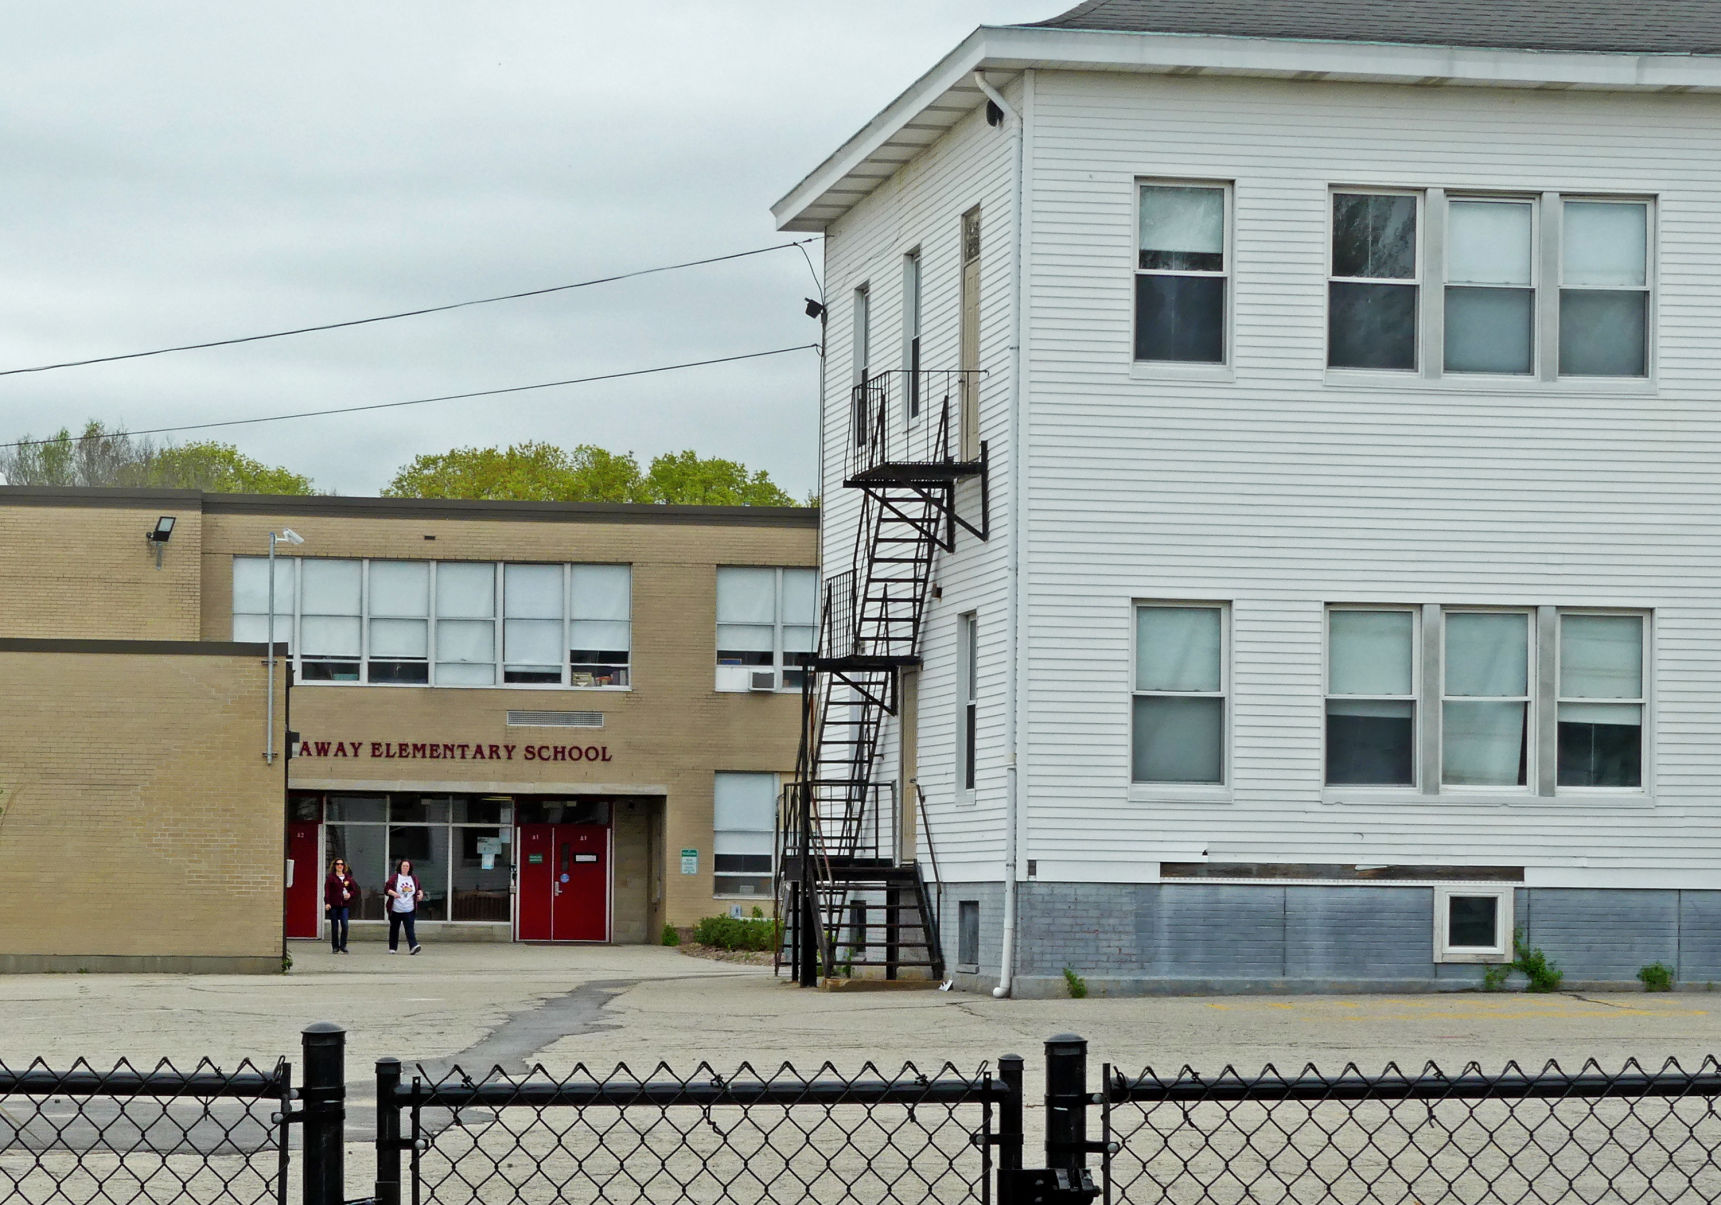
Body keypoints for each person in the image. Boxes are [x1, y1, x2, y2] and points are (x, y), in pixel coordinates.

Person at [385, 858, 425, 954]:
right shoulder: (394, 878)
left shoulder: (414, 878)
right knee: (394, 928)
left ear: (410, 868)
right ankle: (392, 947)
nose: (405, 868)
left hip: (409, 908)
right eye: (403, 866)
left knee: (409, 928)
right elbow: (387, 889)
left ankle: (413, 946)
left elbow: (419, 889)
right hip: (396, 908)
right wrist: (394, 894)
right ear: (400, 867)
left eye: (407, 866)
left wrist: (420, 894)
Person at [323, 858, 359, 954]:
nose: (340, 866)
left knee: (345, 925)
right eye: (337, 864)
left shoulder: (348, 878)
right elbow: (327, 891)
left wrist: (349, 895)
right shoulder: (331, 878)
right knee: (334, 927)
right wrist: (327, 902)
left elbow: (354, 890)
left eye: (341, 864)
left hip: (344, 905)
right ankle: (335, 946)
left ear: (344, 866)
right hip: (334, 905)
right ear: (334, 866)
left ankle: (343, 945)